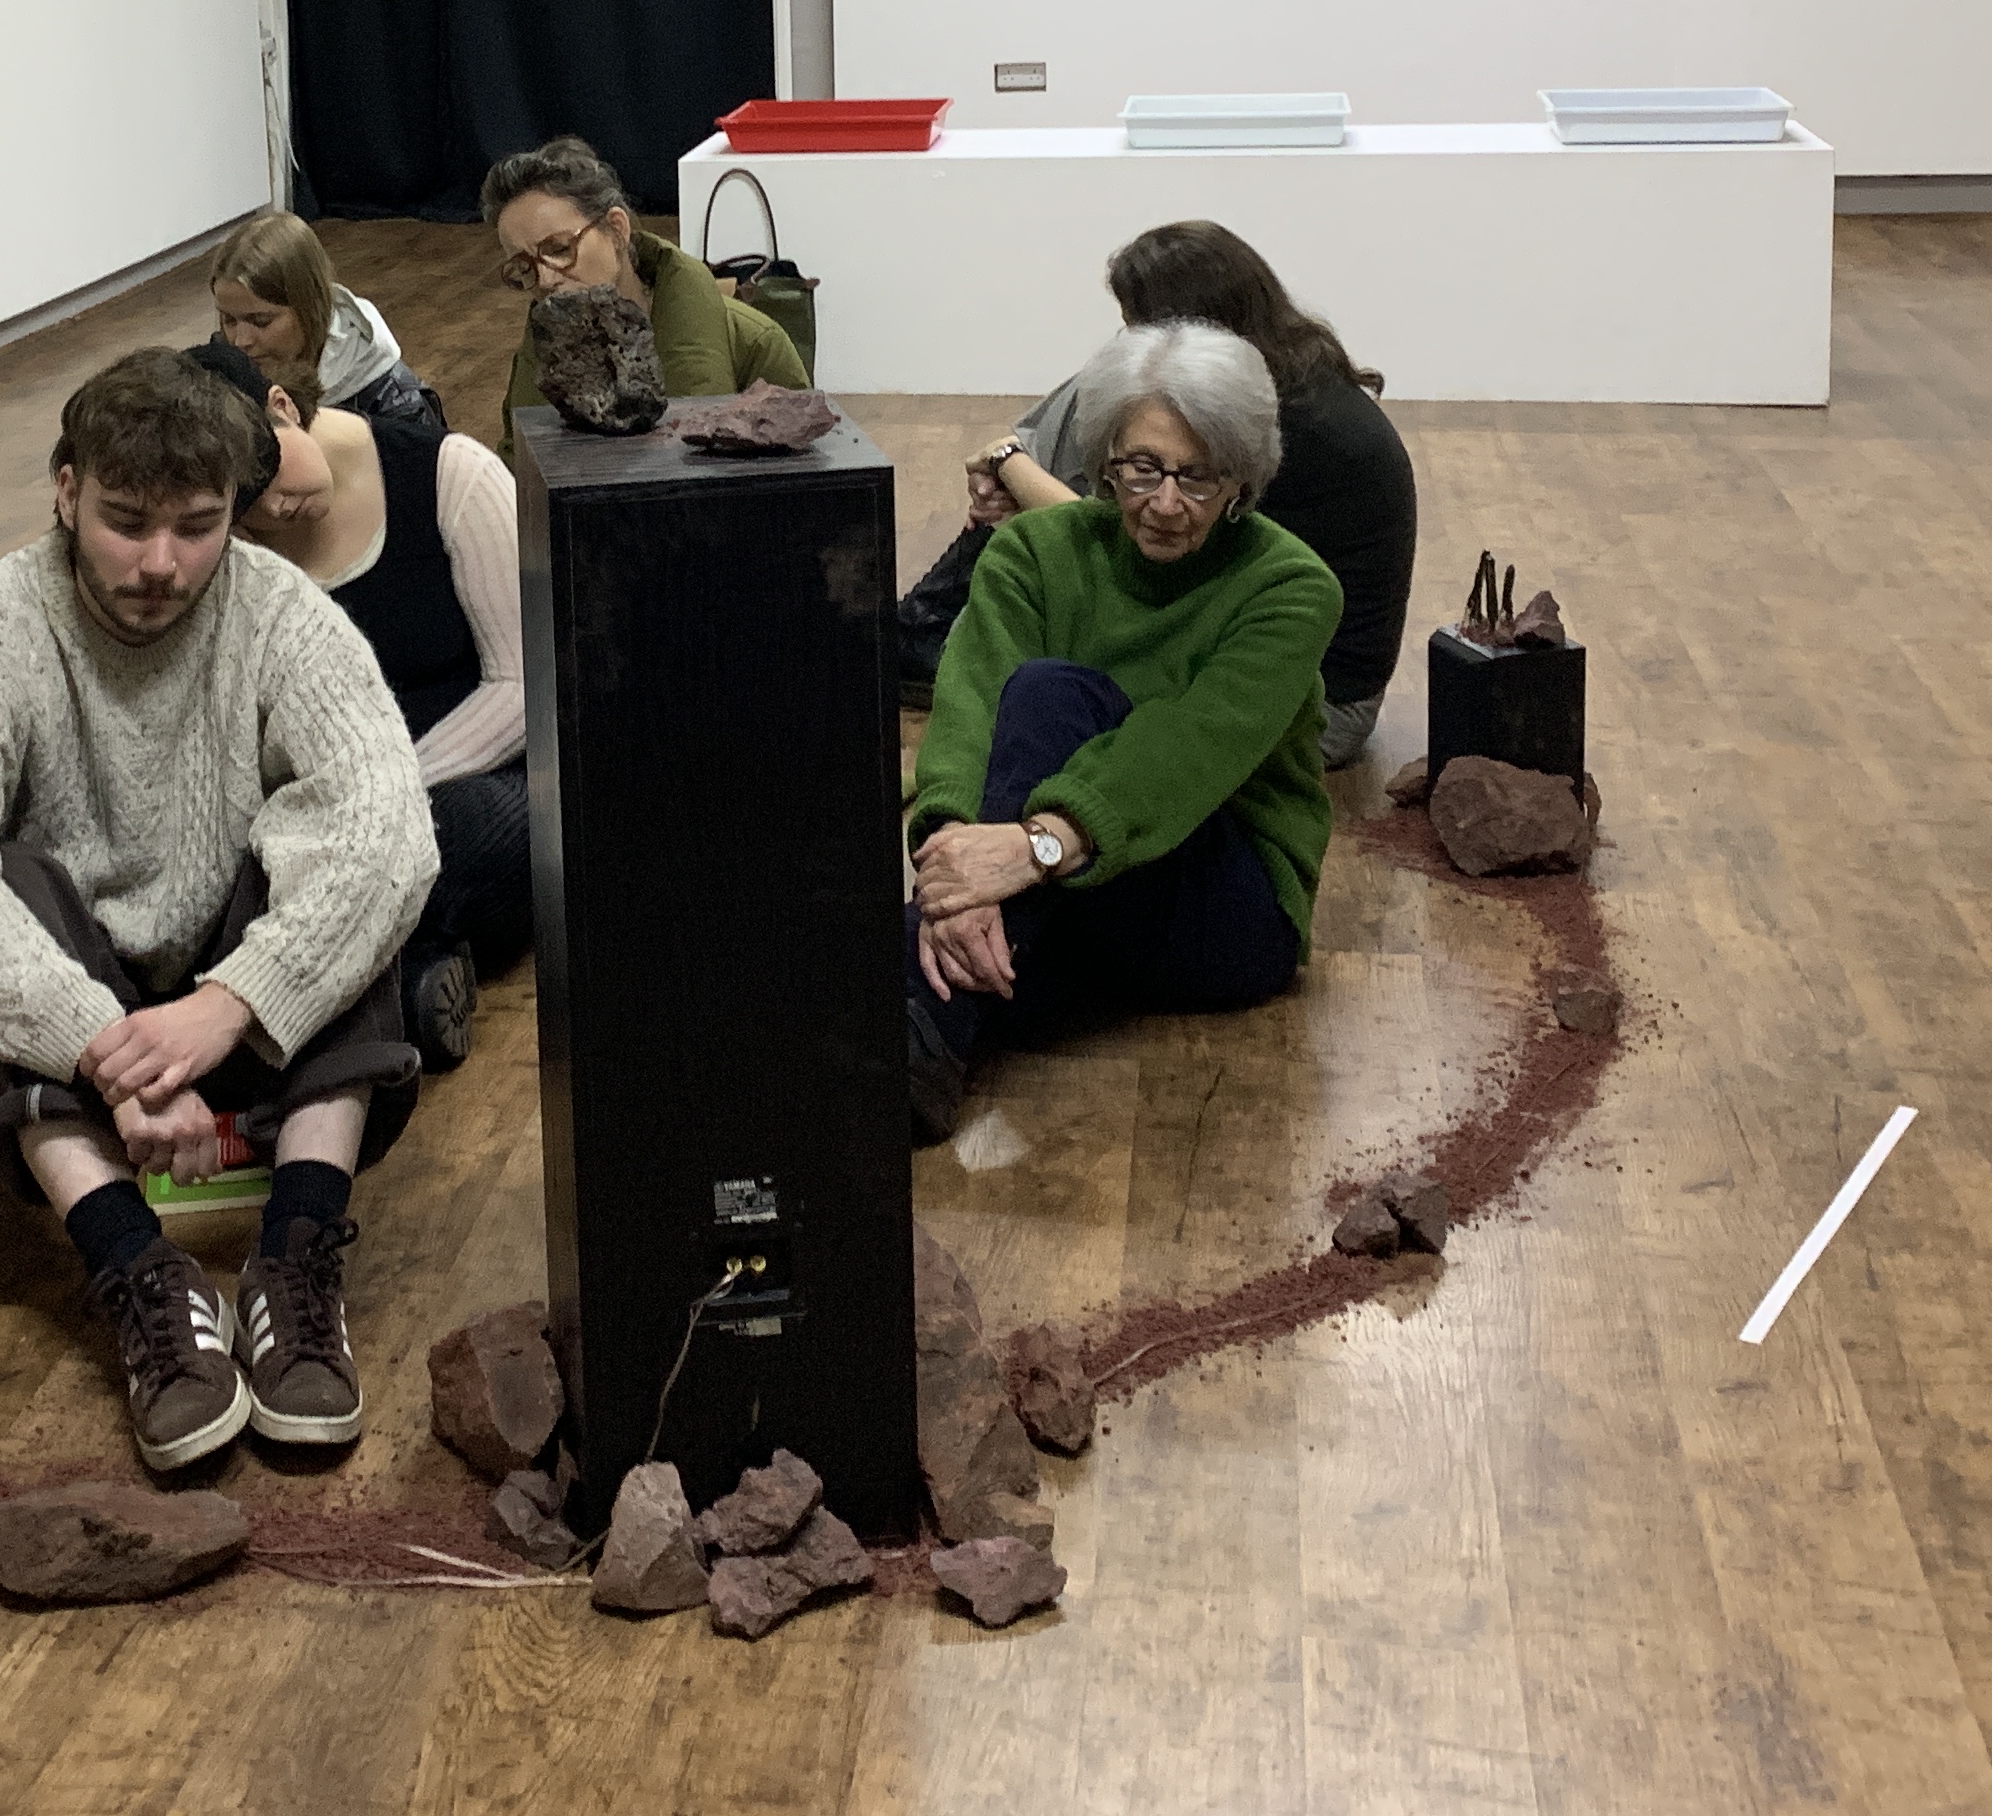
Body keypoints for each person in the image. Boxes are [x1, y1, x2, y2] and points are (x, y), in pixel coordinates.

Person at [0, 347, 435, 1470]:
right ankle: (137, 1267)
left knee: (353, 883)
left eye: (195, 525)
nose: (160, 563)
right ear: (65, 489)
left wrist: (229, 1006)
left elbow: (388, 835)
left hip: (222, 991)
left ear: (236, 508)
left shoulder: (284, 615)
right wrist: (104, 1050)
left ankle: (294, 1258)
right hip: (79, 1012)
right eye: (127, 521)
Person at [902, 322, 1340, 1144]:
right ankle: (951, 987)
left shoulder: (1289, 588)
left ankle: (912, 1043)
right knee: (994, 943)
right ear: (1105, 459)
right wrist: (959, 856)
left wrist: (1025, 851)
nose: (1165, 502)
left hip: (1226, 903)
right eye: (1143, 468)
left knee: (1048, 695)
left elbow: (1179, 754)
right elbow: (968, 704)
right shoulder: (1034, 550)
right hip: (1077, 883)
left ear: (1243, 479)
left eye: (1199, 476)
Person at [926, 221, 1414, 767]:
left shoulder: (1270, 424)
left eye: (1135, 323)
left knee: (1028, 687)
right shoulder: (1289, 372)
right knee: (1104, 389)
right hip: (1242, 637)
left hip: (1316, 703)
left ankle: (935, 626)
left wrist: (1008, 463)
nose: (1128, 336)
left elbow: (1135, 533)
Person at [225, 343, 524, 1073]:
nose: (271, 508)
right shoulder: (222, 546)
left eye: (269, 473)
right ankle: (397, 982)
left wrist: (382, 788)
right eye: (241, 506)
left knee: (492, 831)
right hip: (310, 811)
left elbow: (520, 685)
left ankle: (322, 993)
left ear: (284, 407)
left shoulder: (450, 474)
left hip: (453, 778)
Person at [483, 132, 810, 445]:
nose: (545, 279)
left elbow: (802, 485)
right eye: (523, 269)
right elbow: (514, 473)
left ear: (616, 229)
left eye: (558, 249)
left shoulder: (757, 343)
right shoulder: (534, 360)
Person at [211, 210, 448, 437]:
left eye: (261, 321)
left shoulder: (395, 406)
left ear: (310, 308)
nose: (241, 341)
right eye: (228, 320)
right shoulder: (215, 371)